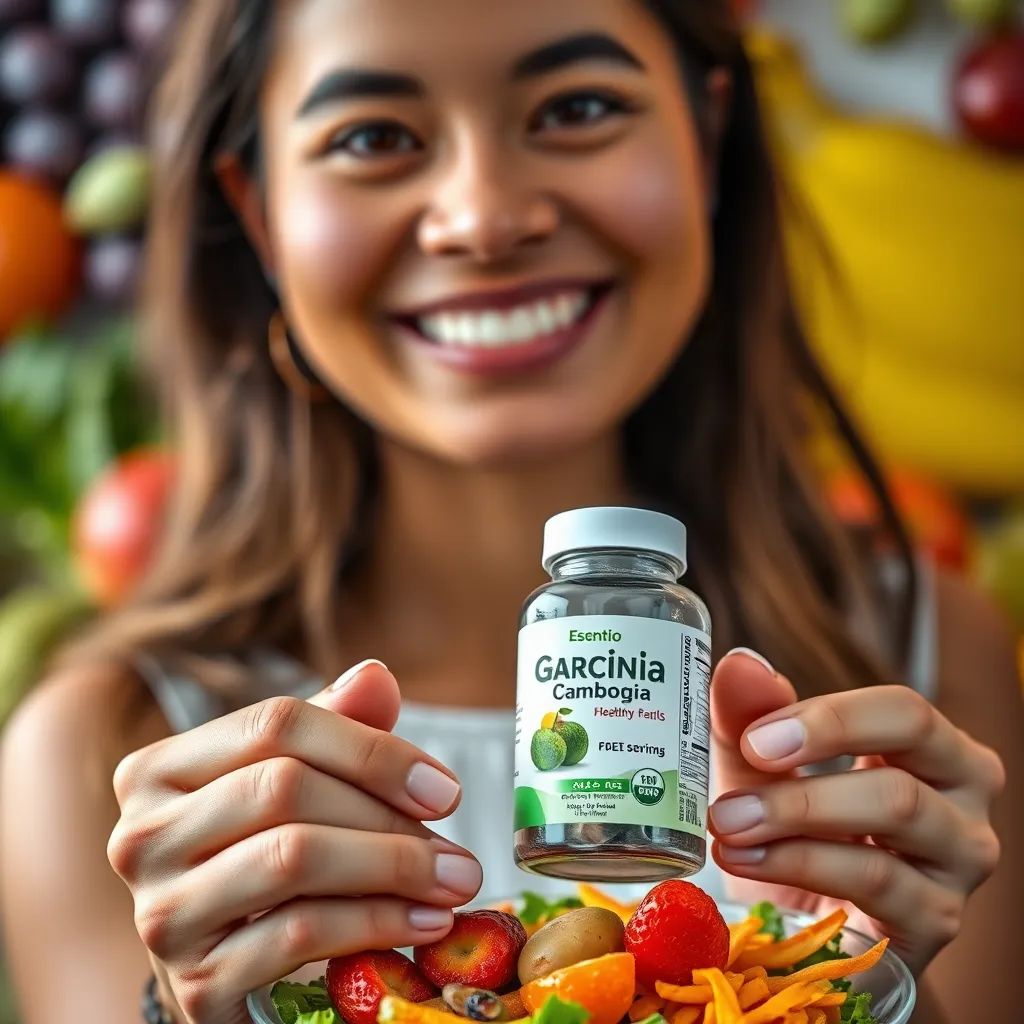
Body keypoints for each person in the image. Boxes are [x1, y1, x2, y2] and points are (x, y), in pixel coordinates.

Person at [1, 2, 1019, 1023]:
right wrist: (185, 1012)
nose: (484, 217)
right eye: (372, 137)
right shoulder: (101, 755)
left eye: (577, 107)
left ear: (705, 142)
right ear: (259, 209)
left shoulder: (926, 662)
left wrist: (868, 993)